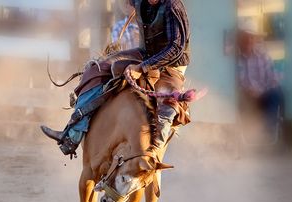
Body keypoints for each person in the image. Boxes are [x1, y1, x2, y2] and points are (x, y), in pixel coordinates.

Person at [40, 0, 191, 156]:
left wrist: (142, 67)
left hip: (172, 65)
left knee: (167, 103)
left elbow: (176, 48)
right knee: (97, 69)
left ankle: (152, 154)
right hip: (144, 53)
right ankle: (73, 134)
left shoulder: (173, 6)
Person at [236, 19, 284, 135]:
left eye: (252, 37)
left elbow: (272, 77)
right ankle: (250, 134)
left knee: (276, 94)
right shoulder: (235, 58)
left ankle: (267, 132)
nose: (249, 40)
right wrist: (247, 91)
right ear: (241, 39)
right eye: (246, 37)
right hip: (244, 96)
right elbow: (234, 81)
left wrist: (261, 91)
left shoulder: (262, 55)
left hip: (263, 94)